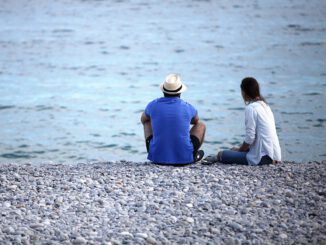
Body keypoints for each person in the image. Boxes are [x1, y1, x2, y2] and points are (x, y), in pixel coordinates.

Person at [204, 77, 281, 165]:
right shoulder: (265, 106)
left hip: (262, 158)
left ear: (244, 92)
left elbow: (250, 138)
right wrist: (240, 149)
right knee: (233, 150)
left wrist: (240, 150)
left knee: (222, 154)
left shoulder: (251, 108)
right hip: (275, 155)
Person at [141, 73, 206, 165]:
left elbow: (143, 119)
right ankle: (192, 155)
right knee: (201, 125)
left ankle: (155, 151)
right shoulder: (187, 107)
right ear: (180, 92)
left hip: (157, 158)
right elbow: (195, 121)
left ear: (163, 90)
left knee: (147, 122)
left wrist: (159, 120)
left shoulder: (152, 105)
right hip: (184, 160)